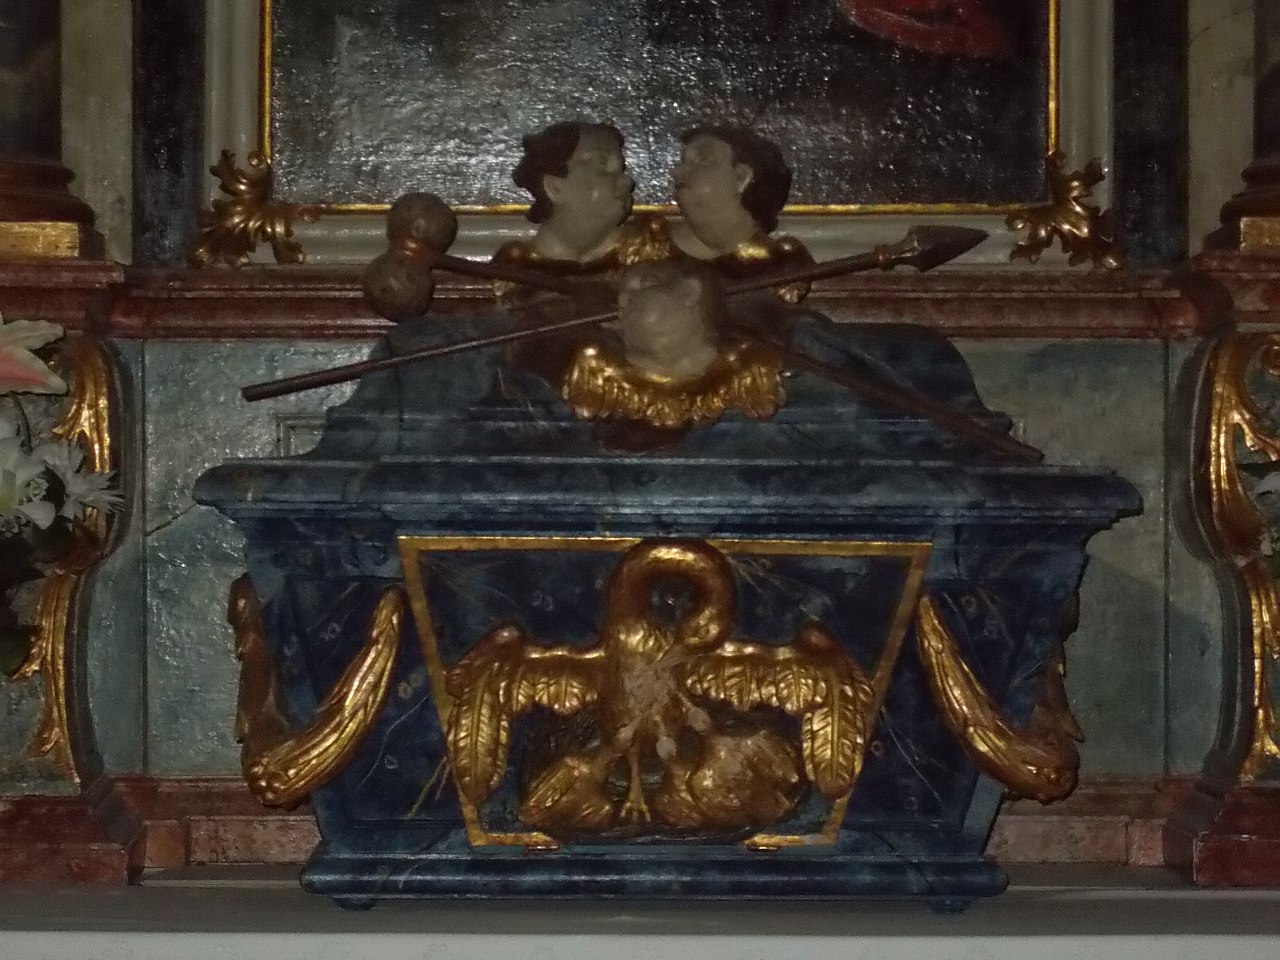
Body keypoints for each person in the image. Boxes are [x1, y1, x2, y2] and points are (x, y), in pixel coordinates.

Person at [620, 125, 813, 303]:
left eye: (702, 161)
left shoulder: (780, 264)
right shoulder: (646, 242)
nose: (677, 172)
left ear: (741, 178)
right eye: (683, 161)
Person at [490, 121, 636, 292]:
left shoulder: (648, 258)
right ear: (555, 187)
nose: (627, 182)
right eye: (602, 166)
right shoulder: (512, 272)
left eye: (621, 169)